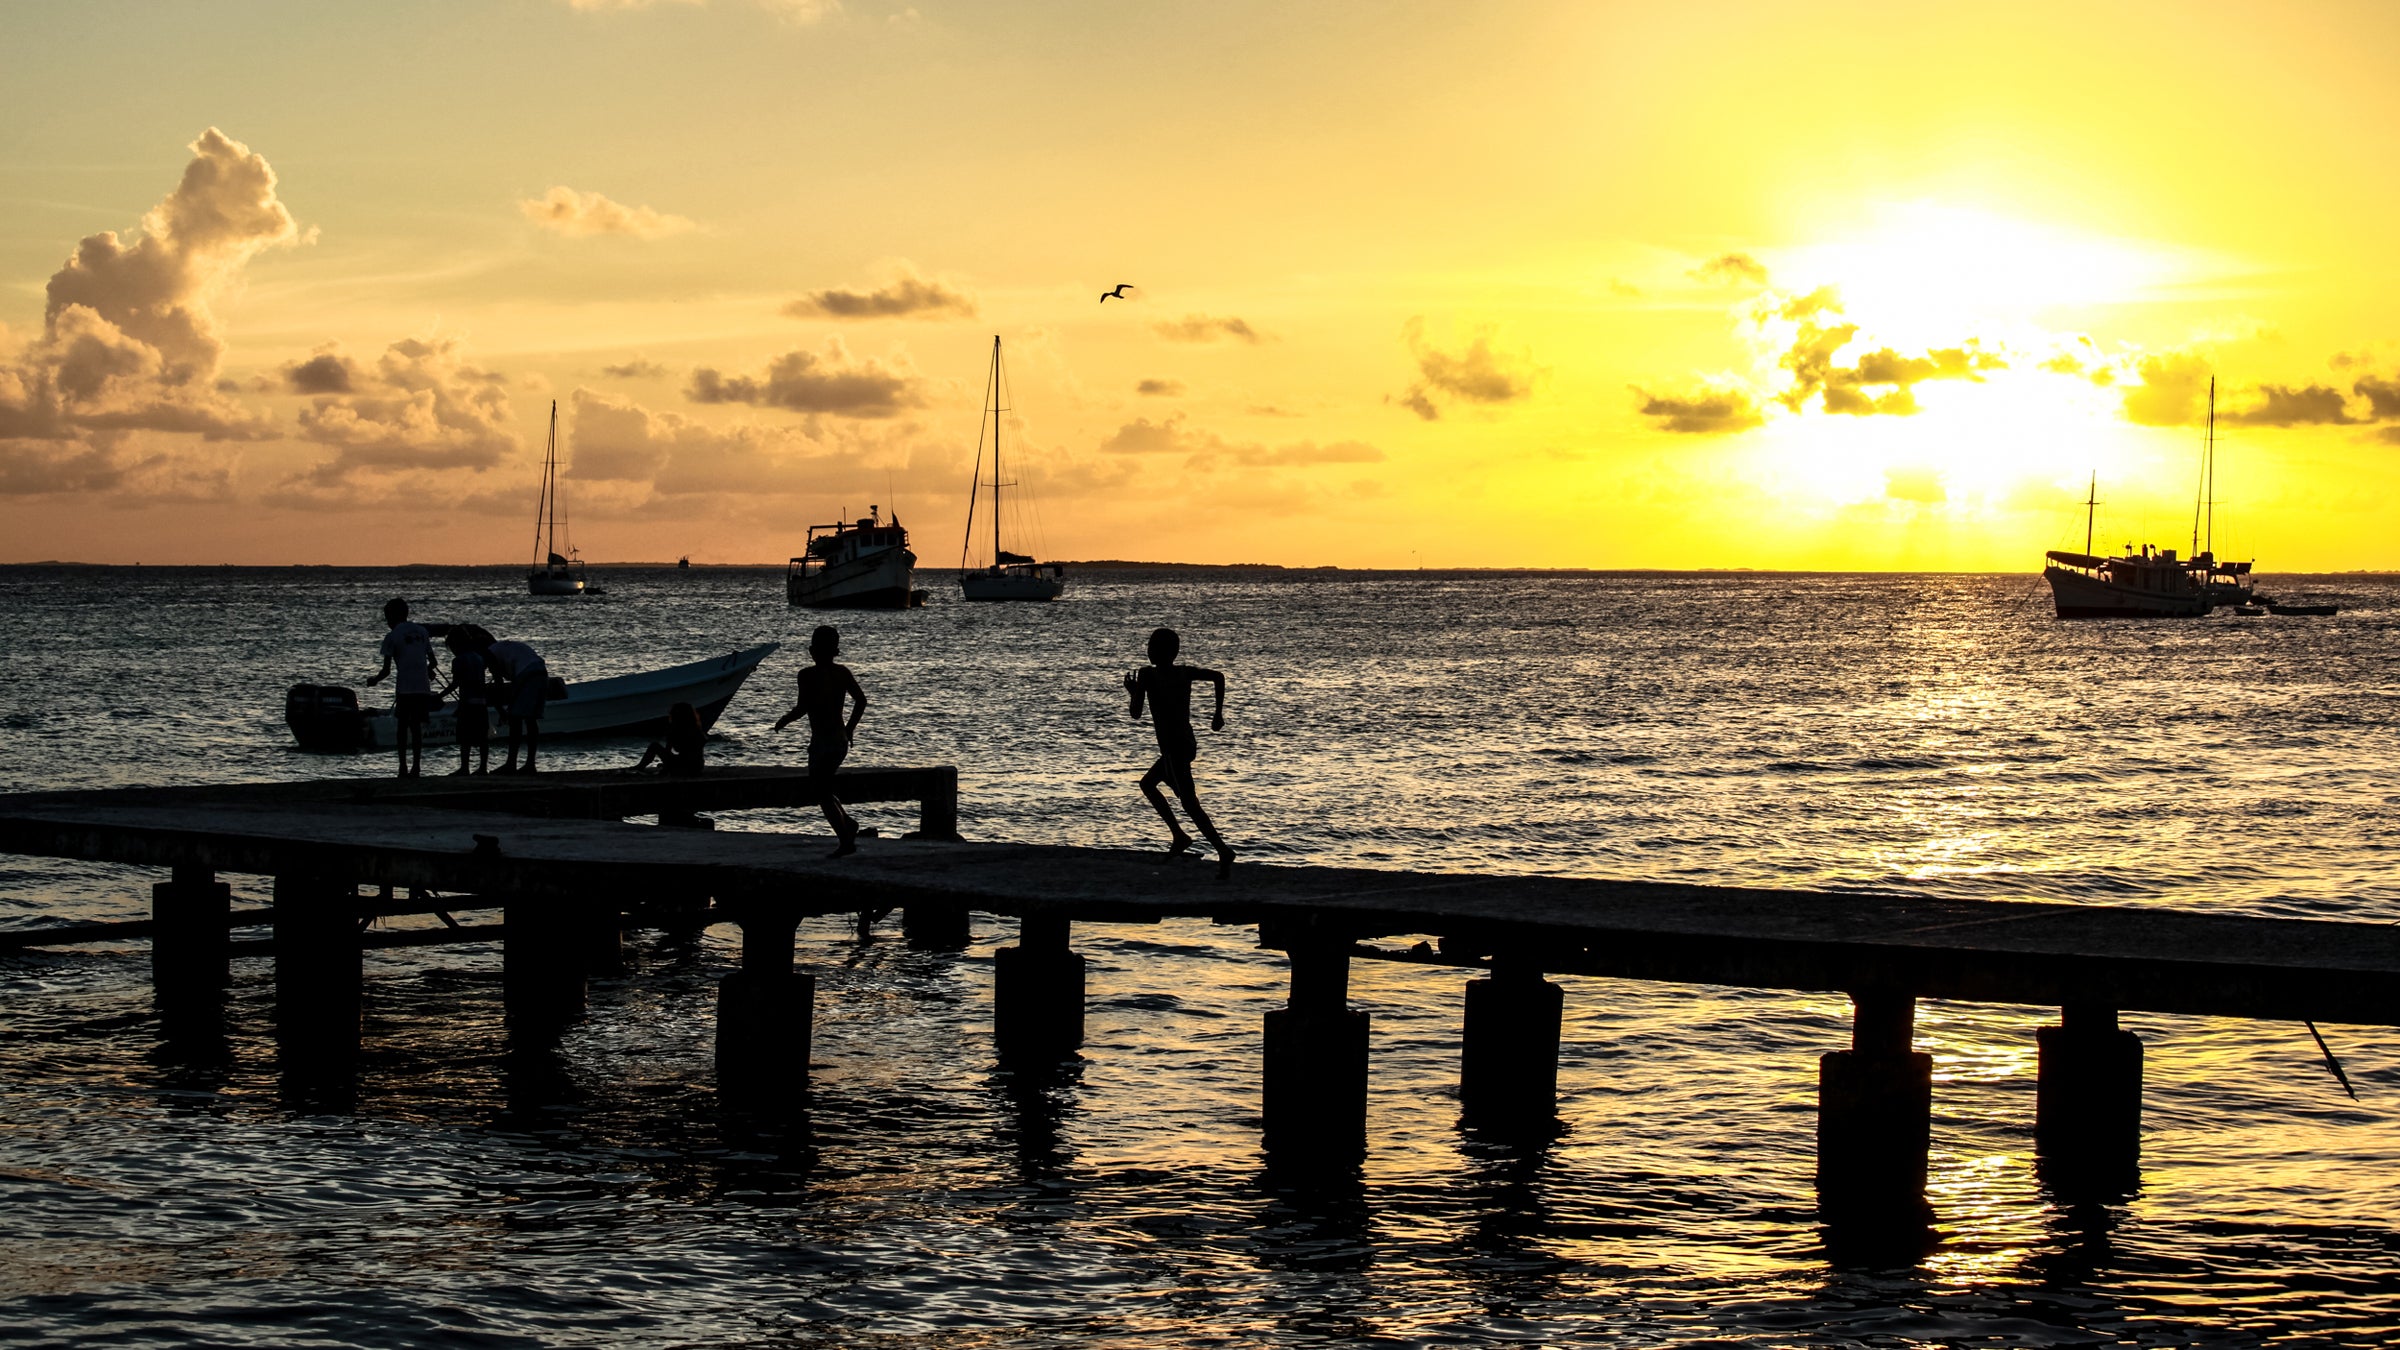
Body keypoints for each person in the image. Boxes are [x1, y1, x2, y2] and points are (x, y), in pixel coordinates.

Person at [1124, 626, 1233, 877]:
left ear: (1159, 652)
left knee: (1189, 803)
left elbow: (1135, 713)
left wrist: (1133, 692)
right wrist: (1217, 714)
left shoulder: (1147, 676)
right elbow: (1218, 677)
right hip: (1186, 744)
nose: (1148, 650)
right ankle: (1180, 836)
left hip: (1174, 748)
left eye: (1151, 646)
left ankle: (1220, 849)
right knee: (1149, 784)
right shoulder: (1184, 673)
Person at [774, 625, 867, 857]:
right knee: (823, 788)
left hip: (824, 742)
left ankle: (846, 840)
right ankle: (848, 824)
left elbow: (803, 708)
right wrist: (850, 728)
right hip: (838, 740)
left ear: (812, 651)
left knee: (821, 791)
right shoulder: (842, 672)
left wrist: (784, 720)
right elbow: (861, 701)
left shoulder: (807, 675)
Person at [364, 597, 439, 779]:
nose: (387, 621)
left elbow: (386, 671)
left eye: (387, 617)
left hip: (405, 688)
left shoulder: (392, 637)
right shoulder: (422, 632)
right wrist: (429, 671)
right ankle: (416, 768)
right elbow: (433, 662)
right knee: (416, 727)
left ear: (392, 616)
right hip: (422, 687)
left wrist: (374, 680)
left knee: (402, 727)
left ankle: (402, 767)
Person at [481, 633, 549, 774]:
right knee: (531, 720)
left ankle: (511, 764)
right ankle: (530, 763)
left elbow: (499, 682)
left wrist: (500, 709)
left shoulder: (489, 652)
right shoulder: (503, 647)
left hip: (527, 674)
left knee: (515, 719)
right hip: (541, 671)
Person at [439, 627, 492, 776]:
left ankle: (464, 768)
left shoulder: (458, 660)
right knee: (482, 738)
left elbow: (457, 684)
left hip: (468, 703)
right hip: (481, 702)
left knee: (464, 737)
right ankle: (483, 768)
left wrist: (439, 696)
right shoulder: (478, 658)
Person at [634, 701, 705, 777]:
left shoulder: (677, 730)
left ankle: (640, 767)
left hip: (684, 767)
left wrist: (671, 737)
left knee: (654, 746)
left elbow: (674, 749)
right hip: (698, 766)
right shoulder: (696, 729)